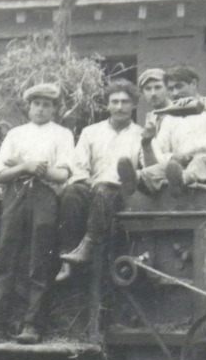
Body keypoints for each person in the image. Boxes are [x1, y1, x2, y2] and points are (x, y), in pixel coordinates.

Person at [0, 83, 77, 346]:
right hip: (15, 195)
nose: (40, 109)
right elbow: (0, 174)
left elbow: (63, 174)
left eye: (47, 104)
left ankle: (33, 324)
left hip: (45, 194)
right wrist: (26, 166)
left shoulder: (62, 135)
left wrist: (30, 168)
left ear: (54, 109)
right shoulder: (15, 134)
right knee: (5, 255)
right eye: (36, 104)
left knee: (39, 256)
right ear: (28, 107)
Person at [56, 79, 144, 282]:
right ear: (107, 105)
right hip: (93, 188)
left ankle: (88, 245)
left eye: (125, 102)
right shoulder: (91, 132)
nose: (119, 107)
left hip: (124, 194)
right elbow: (78, 166)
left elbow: (143, 169)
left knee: (106, 189)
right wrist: (88, 182)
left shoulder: (140, 135)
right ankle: (67, 258)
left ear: (134, 105)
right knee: (72, 193)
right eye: (115, 101)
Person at [139, 65, 206, 190]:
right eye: (170, 89)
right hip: (183, 167)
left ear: (193, 84)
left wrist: (199, 104)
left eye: (179, 86)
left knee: (199, 163)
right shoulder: (170, 119)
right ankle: (136, 179)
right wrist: (172, 157)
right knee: (153, 171)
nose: (175, 93)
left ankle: (181, 181)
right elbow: (160, 152)